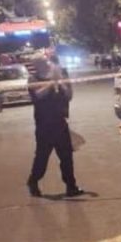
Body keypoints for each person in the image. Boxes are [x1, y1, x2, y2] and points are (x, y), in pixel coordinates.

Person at [26, 57, 84, 198]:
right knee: (42, 157)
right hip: (44, 125)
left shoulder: (59, 77)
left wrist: (62, 83)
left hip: (60, 123)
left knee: (66, 157)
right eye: (40, 63)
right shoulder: (33, 79)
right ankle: (33, 181)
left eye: (45, 63)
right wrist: (52, 83)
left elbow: (69, 96)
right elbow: (38, 95)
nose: (45, 65)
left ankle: (71, 186)